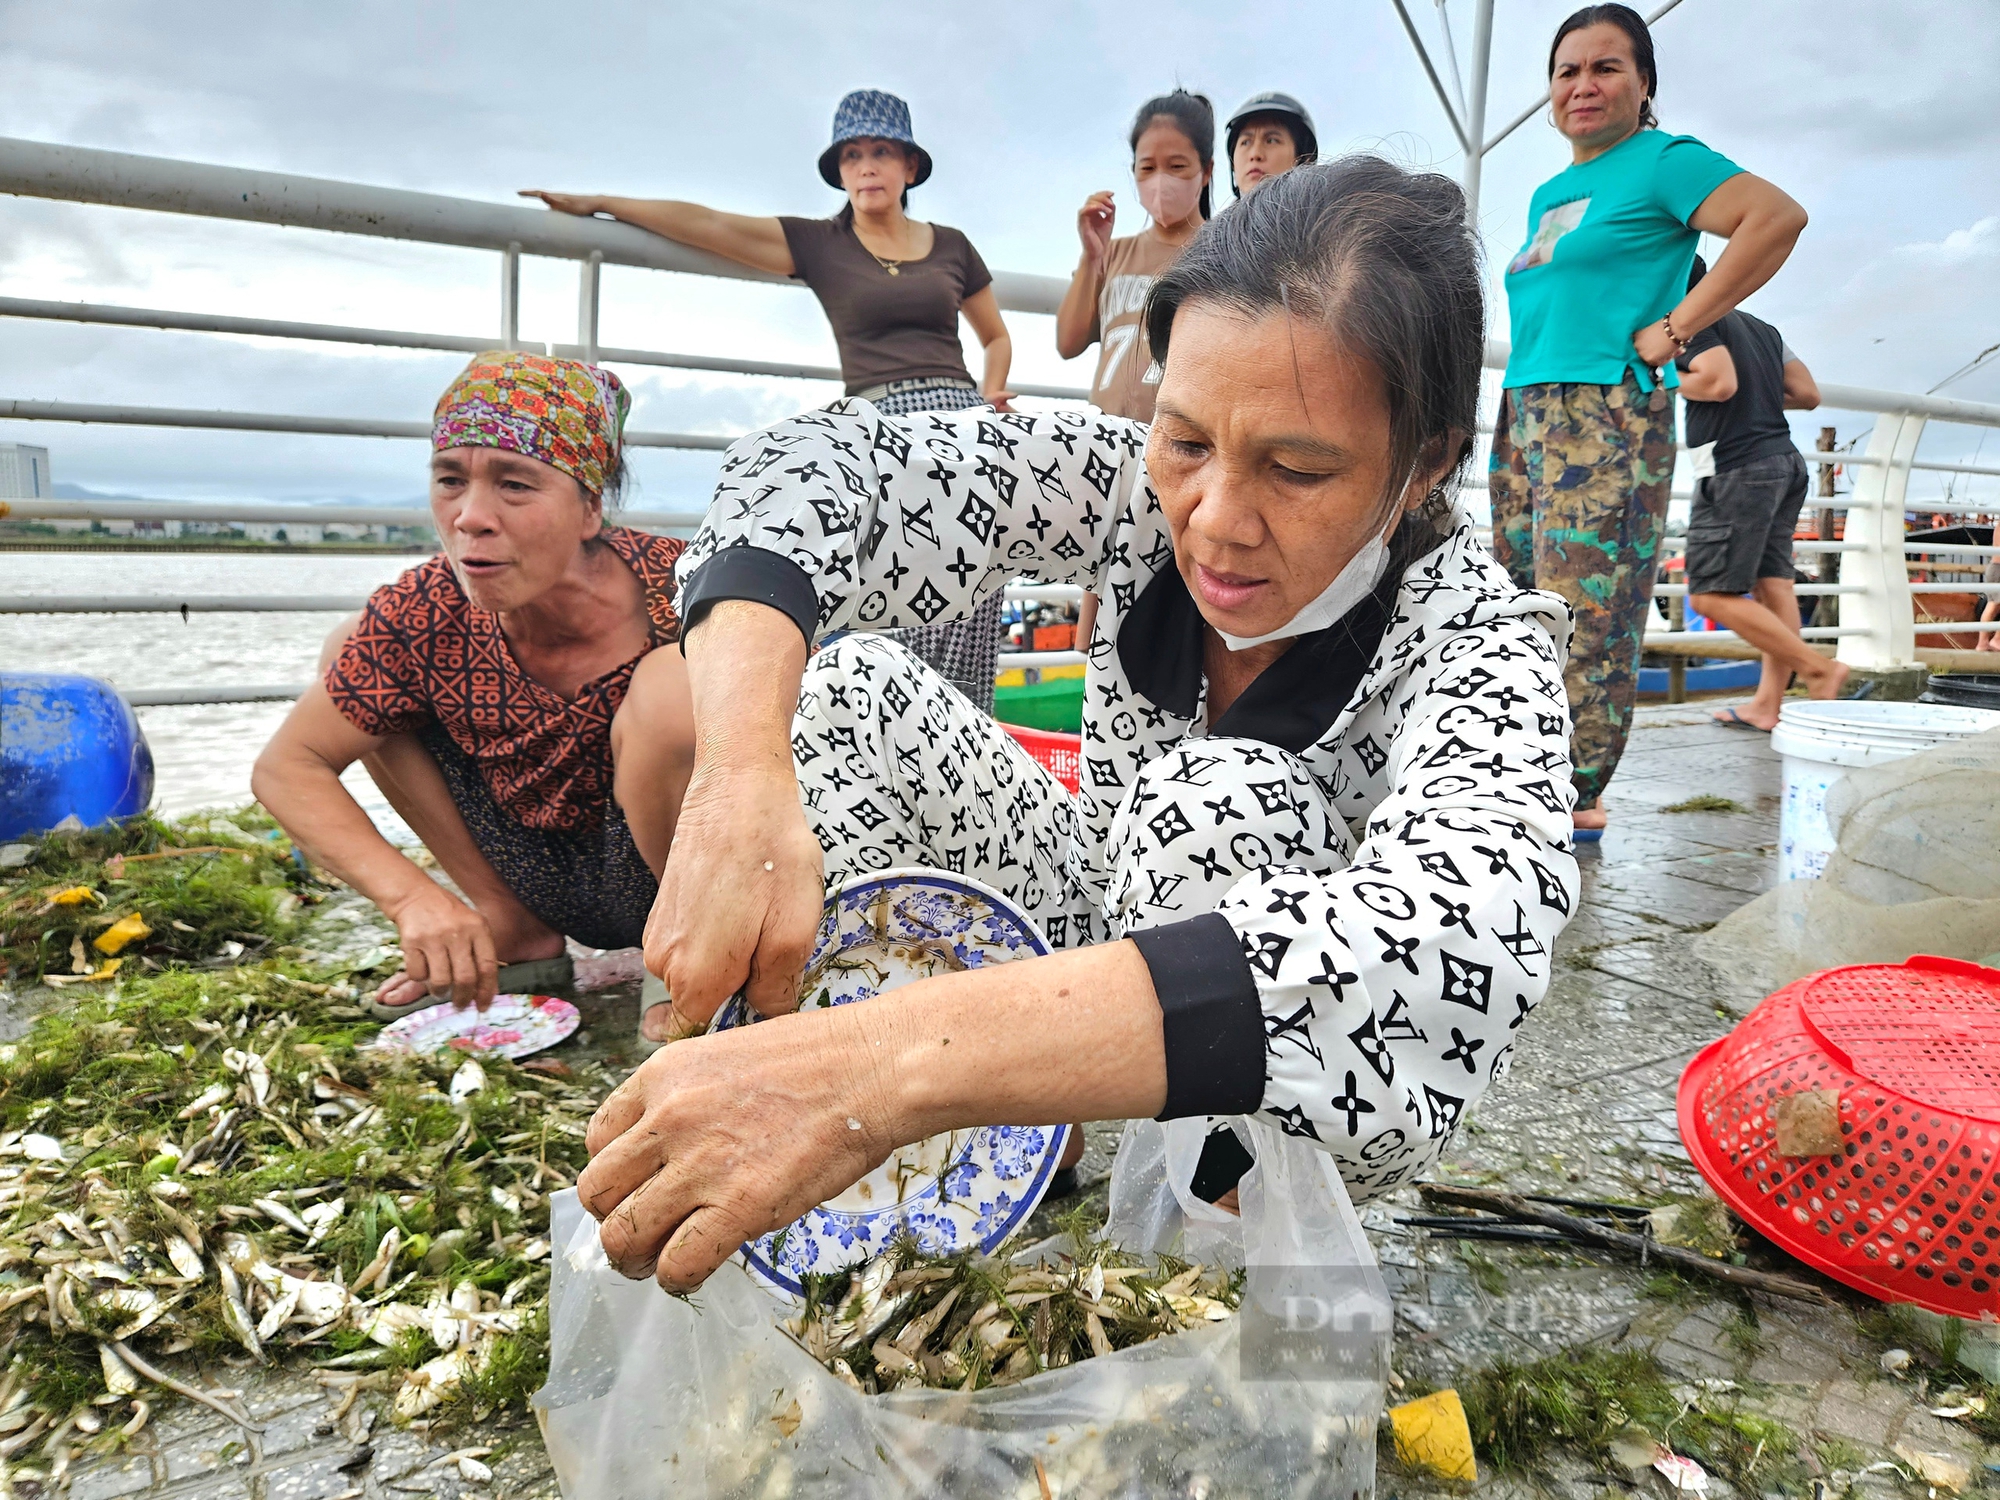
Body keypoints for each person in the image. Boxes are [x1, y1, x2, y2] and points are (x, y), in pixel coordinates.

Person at [576, 159, 1584, 1294]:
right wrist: (736, 776)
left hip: (1313, 1071)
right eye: (1186, 440)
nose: (1212, 520)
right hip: (1105, 919)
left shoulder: (1473, 635)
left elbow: (1454, 939)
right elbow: (815, 472)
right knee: (851, 687)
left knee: (1212, 800)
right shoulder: (1114, 486)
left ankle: (1199, 1243)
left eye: (1296, 469)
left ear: (1425, 466)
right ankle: (967, 1154)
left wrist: (880, 1067)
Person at [522, 89, 1014, 714]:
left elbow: (995, 336)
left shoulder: (952, 245)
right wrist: (601, 203)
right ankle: (881, 754)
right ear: (838, 170)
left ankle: (964, 761)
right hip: (877, 431)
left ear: (909, 167)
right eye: (853, 154)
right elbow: (712, 225)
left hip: (960, 428)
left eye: (882, 153)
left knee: (970, 599)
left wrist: (989, 392)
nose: (867, 166)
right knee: (885, 602)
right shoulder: (822, 244)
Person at [253, 351, 694, 1029]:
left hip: (676, 871)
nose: (470, 518)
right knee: (353, 650)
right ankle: (511, 928)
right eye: (450, 480)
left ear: (588, 510)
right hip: (529, 865)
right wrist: (414, 900)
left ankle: (692, 954)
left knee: (676, 684)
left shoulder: (687, 588)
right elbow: (288, 767)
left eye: (516, 486)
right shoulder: (425, 611)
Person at [1488, 3, 1807, 837]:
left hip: (1606, 416)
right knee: (1522, 604)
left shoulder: (1664, 160)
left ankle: (1577, 797)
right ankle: (1522, 775)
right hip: (1524, 410)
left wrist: (1676, 328)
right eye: (1566, 72)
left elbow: (1775, 218)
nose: (1582, 87)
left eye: (1605, 68)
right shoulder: (1551, 191)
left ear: (1644, 84)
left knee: (1591, 613)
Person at [1056, 90, 1215, 651]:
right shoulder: (1116, 252)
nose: (1161, 182)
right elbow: (1069, 340)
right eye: (1147, 168)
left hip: (1182, 452)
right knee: (1102, 626)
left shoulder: (1222, 250)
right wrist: (1091, 258)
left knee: (1178, 615)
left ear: (1206, 172)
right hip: (1108, 456)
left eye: (1178, 167)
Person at [1672, 257, 1837, 728]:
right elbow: (1807, 394)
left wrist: (1658, 380)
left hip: (1737, 467)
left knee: (1708, 595)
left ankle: (1818, 668)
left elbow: (1718, 383)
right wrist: (1757, 395)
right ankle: (1768, 705)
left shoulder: (1684, 317)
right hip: (1784, 462)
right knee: (1773, 586)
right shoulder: (1761, 327)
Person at [1224, 91, 1318, 198]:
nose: (1255, 154)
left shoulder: (1331, 213)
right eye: (1245, 142)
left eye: (1271, 141)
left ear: (1305, 159)